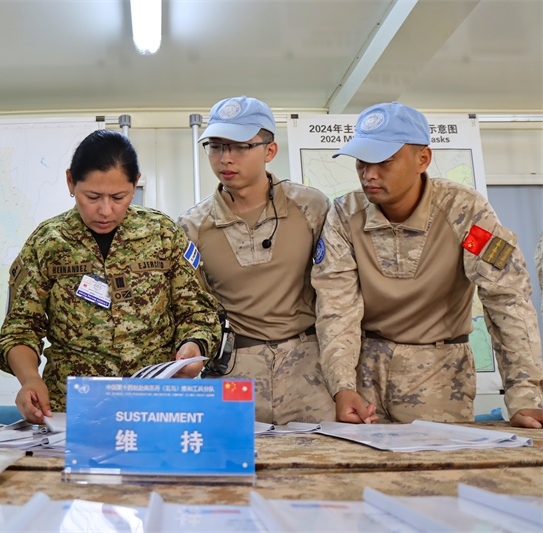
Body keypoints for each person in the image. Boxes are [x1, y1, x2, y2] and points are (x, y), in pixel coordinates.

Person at [312, 101, 543, 428]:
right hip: (363, 370)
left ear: (423, 159)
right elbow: (337, 306)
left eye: (384, 162)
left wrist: (524, 394)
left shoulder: (465, 212)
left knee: (441, 475)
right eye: (362, 162)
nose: (369, 174)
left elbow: (507, 298)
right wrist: (342, 386)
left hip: (440, 376)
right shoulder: (345, 215)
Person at [0, 129, 220, 423]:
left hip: (153, 407)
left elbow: (199, 313)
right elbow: (20, 329)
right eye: (93, 196)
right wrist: (30, 379)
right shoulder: (48, 242)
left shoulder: (163, 235)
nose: (105, 210)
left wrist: (195, 347)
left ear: (135, 183)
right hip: (73, 411)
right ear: (71, 182)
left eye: (119, 197)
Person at [178, 96, 335, 424]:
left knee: (318, 462)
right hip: (235, 367)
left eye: (239, 147)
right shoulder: (193, 226)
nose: (226, 158)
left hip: (307, 366)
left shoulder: (310, 207)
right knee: (232, 464)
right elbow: (193, 307)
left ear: (270, 150)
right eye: (216, 146)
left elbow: (339, 290)